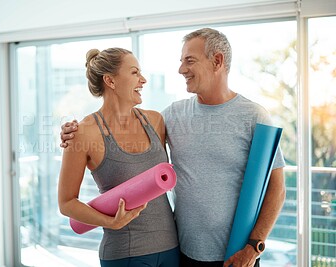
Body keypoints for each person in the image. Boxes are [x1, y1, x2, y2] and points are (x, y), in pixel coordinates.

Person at [60, 28, 286, 267]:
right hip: (184, 253)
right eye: (181, 61)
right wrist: (72, 132)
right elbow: (121, 133)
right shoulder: (172, 117)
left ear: (217, 61)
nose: (181, 69)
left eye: (189, 60)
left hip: (238, 256)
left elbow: (277, 189)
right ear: (110, 80)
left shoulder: (253, 115)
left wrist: (254, 247)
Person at [57, 47, 179, 267]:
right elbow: (66, 203)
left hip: (171, 247)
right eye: (134, 73)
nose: (143, 80)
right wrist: (109, 222)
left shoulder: (155, 121)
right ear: (110, 81)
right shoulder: (83, 132)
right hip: (125, 254)